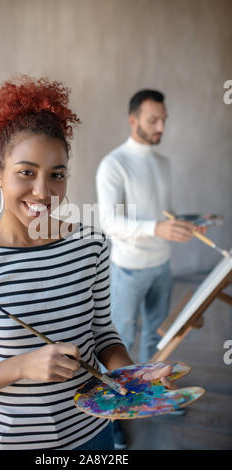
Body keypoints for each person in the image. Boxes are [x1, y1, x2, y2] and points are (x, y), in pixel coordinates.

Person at [0, 77, 175, 451]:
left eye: (56, 175)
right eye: (26, 172)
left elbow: (102, 334)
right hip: (11, 443)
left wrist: (133, 374)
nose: (43, 192)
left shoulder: (90, 245)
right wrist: (22, 367)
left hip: (94, 435)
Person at [96, 89, 205, 449]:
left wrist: (187, 224)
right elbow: (110, 222)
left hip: (162, 266)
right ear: (133, 120)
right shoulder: (114, 164)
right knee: (118, 344)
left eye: (163, 120)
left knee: (157, 340)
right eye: (153, 120)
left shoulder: (163, 163)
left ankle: (153, 398)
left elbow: (166, 211)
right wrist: (156, 228)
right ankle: (114, 421)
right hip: (127, 269)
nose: (161, 127)